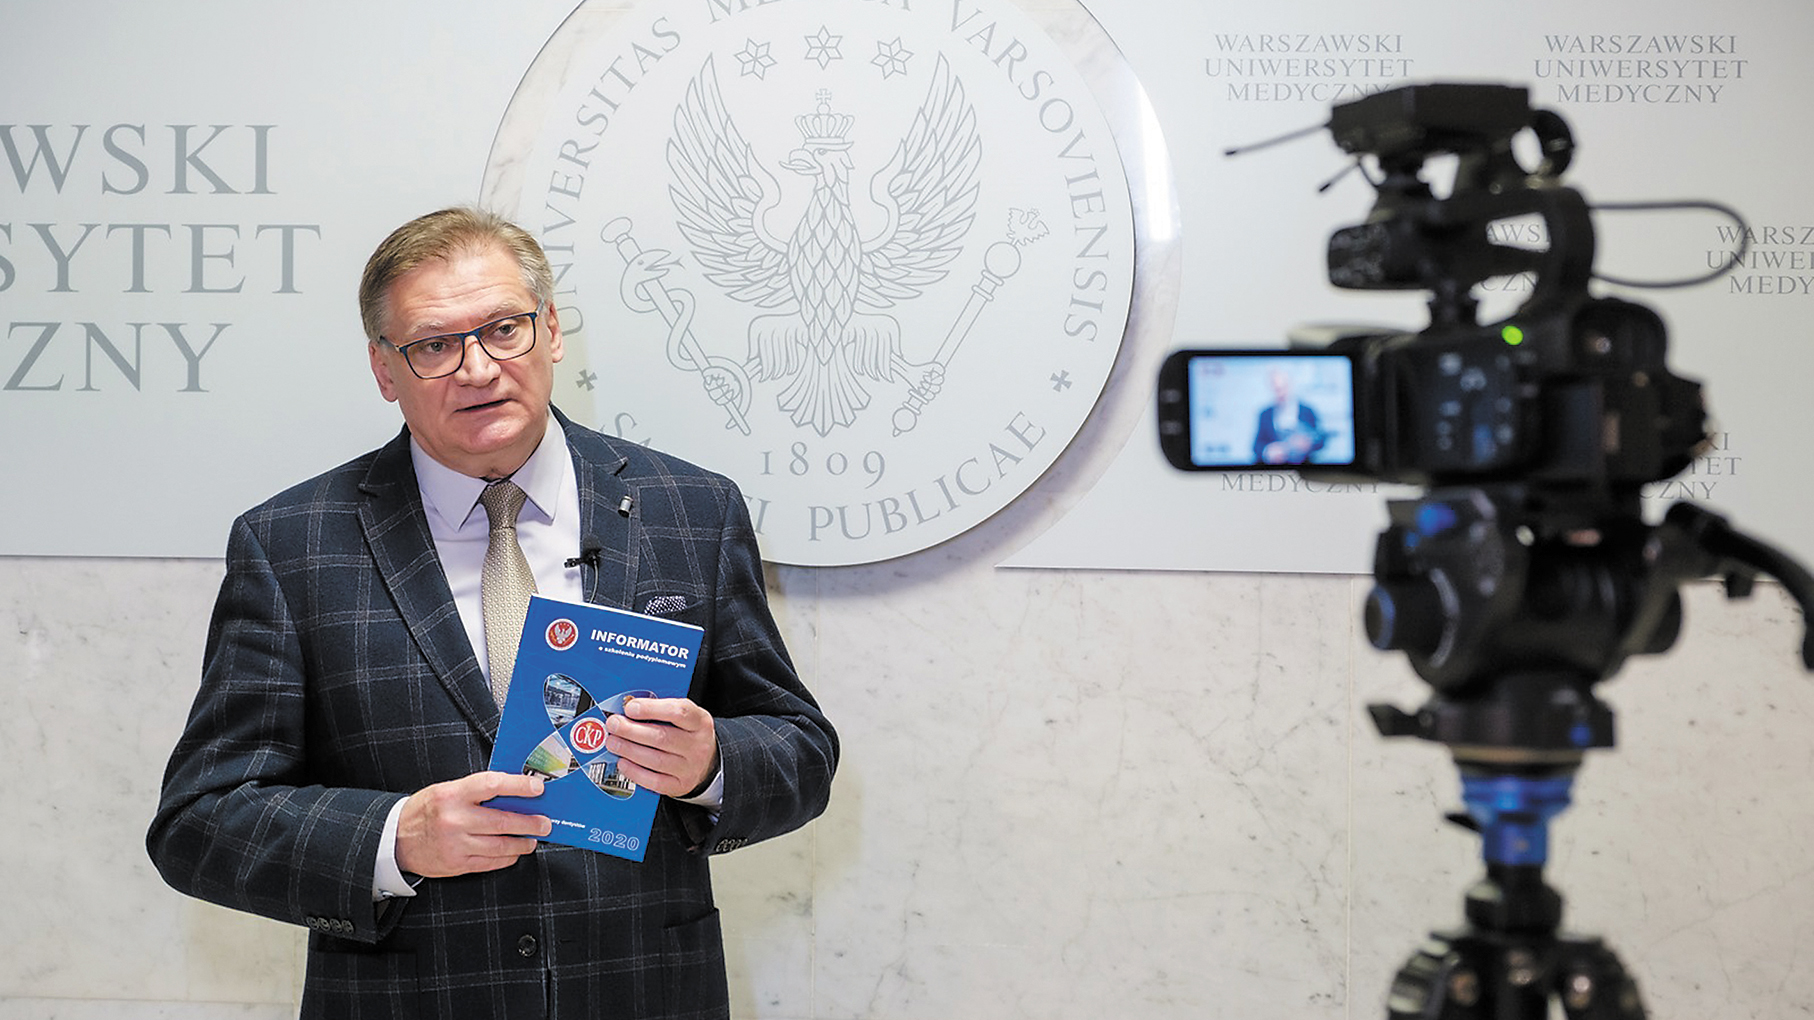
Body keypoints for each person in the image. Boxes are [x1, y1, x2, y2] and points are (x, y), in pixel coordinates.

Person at [147, 207, 838, 1019]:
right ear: (384, 368)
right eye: (434, 346)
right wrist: (395, 836)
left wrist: (710, 762)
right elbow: (200, 820)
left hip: (645, 992)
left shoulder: (691, 509)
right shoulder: (291, 545)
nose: (477, 369)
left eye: (504, 329)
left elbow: (800, 747)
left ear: (552, 330)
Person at [1252, 367, 1325, 465]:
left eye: (1283, 388)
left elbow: (1320, 440)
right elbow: (1256, 446)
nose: (1281, 393)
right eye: (1277, 389)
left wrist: (1309, 444)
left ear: (1290, 385)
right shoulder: (1265, 414)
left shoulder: (1307, 411)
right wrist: (1268, 451)